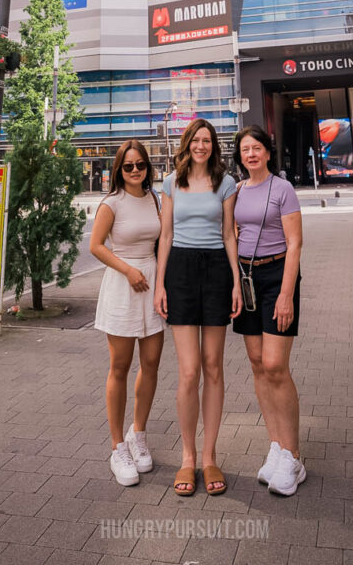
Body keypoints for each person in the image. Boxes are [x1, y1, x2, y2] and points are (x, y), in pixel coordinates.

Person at [154, 118, 241, 496]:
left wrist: (237, 282)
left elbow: (229, 234)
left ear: (213, 146)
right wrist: (160, 283)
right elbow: (166, 234)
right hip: (181, 272)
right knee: (189, 372)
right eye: (196, 140)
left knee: (213, 366)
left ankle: (210, 456)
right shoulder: (172, 182)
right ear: (187, 143)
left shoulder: (226, 183)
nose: (201, 146)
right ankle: (187, 458)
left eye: (207, 141)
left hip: (218, 269)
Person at [233, 125, 305, 496]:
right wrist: (233, 283)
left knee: (276, 365)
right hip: (247, 279)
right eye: (245, 149)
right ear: (239, 155)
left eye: (257, 147)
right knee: (258, 363)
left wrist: (286, 294)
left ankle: (293, 455)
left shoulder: (283, 189)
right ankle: (276, 445)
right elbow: (232, 238)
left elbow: (295, 243)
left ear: (267, 152)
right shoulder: (237, 191)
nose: (251, 154)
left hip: (278, 276)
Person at [90, 140, 165, 487]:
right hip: (123, 286)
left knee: (151, 364)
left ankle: (139, 434)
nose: (135, 171)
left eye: (140, 165)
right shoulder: (112, 203)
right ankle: (117, 445)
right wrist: (128, 270)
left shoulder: (155, 199)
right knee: (119, 367)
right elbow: (96, 246)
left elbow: (162, 242)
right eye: (128, 166)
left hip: (151, 285)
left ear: (148, 167)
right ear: (119, 170)